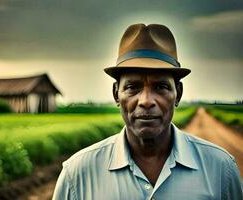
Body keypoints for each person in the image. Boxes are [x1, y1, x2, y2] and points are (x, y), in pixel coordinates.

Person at [52, 23, 243, 200]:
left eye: (160, 87)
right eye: (133, 87)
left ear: (178, 94)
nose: (146, 101)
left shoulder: (221, 169)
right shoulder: (77, 175)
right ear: (116, 94)